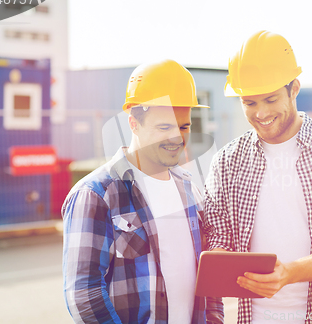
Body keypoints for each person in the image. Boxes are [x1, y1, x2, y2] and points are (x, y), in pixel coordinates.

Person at [203, 31, 312, 323]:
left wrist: (289, 273)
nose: (261, 113)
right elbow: (218, 238)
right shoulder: (227, 161)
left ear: (294, 88)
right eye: (250, 103)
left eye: (270, 99)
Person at [62, 59, 223, 324]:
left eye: (184, 127)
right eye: (164, 127)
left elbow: (207, 276)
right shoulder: (97, 194)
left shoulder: (190, 190)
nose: (177, 138)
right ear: (133, 123)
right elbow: (83, 294)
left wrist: (214, 318)